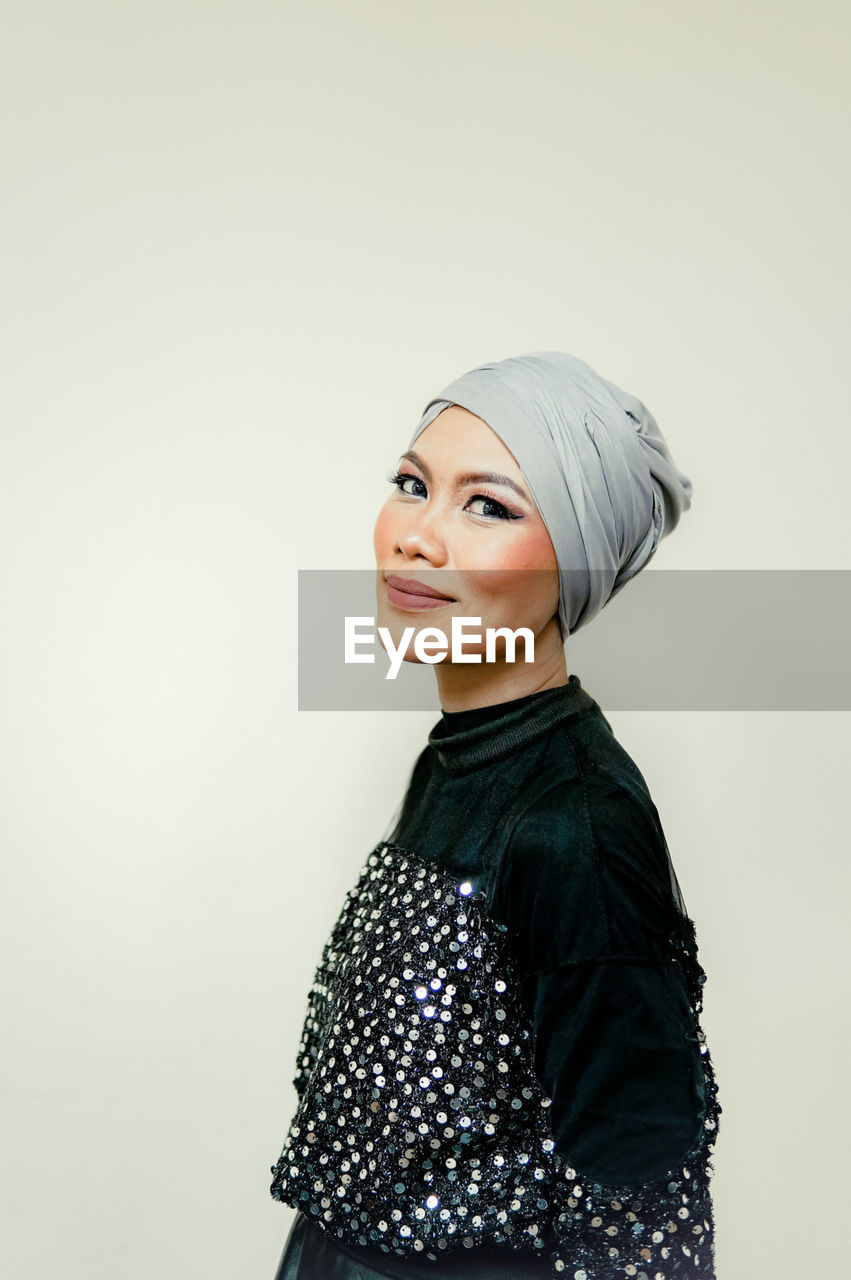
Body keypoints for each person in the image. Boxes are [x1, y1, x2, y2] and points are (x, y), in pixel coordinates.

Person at [270, 352, 720, 1279]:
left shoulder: (576, 820)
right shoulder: (464, 756)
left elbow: (641, 1192)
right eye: (411, 485)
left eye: (489, 506)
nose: (416, 538)